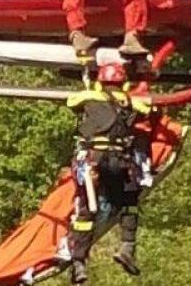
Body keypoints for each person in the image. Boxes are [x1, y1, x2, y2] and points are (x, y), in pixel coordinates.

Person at [66, 63, 153, 284]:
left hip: (93, 160)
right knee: (129, 203)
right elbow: (149, 110)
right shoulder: (130, 102)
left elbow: (71, 102)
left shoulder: (87, 97)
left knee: (85, 212)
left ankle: (79, 263)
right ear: (123, 83)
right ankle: (127, 247)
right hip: (119, 162)